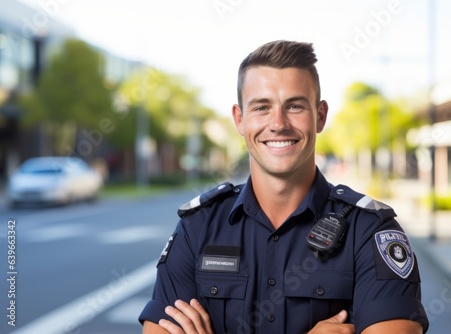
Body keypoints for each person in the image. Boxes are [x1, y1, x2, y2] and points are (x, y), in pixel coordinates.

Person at [139, 40, 429, 334]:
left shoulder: (370, 231)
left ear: (320, 116)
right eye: (262, 107)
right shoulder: (198, 227)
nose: (278, 124)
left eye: (294, 106)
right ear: (240, 120)